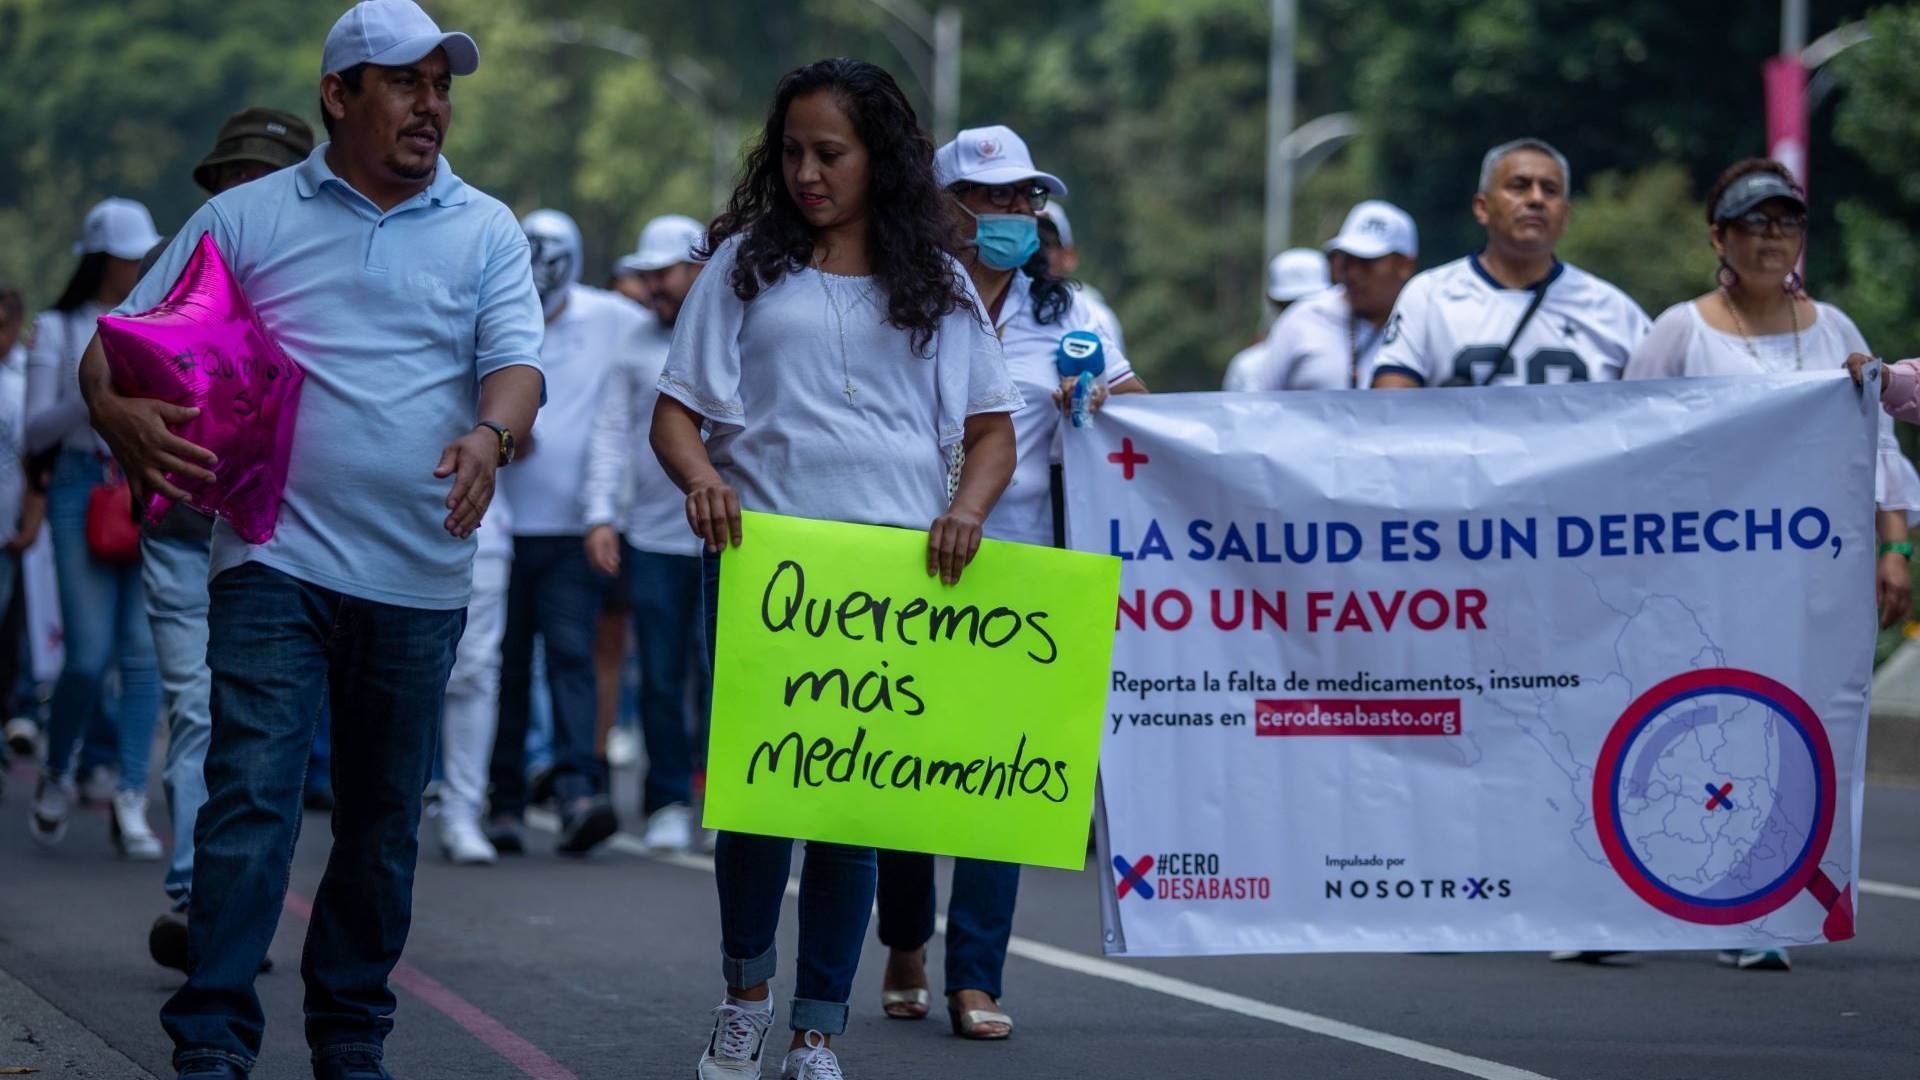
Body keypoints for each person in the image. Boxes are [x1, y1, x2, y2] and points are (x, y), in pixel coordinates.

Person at [78, 3, 544, 1077]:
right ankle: (211, 1043)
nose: (432, 106)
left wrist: (490, 432)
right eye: (405, 83)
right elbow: (114, 351)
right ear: (337, 95)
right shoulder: (246, 220)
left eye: (442, 86)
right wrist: (120, 417)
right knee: (249, 801)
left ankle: (349, 1042)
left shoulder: (486, 226)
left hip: (421, 574)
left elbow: (518, 367)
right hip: (273, 560)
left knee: (381, 832)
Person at [651, 57, 1020, 1080]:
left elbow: (993, 434)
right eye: (793, 153)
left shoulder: (939, 284)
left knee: (850, 817)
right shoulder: (742, 268)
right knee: (762, 807)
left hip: (892, 583)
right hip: (768, 571)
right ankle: (744, 998)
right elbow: (675, 415)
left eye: (831, 153)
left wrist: (965, 512)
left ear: (881, 160)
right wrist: (701, 482)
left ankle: (818, 1032)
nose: (808, 173)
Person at [867, 123, 1149, 1044]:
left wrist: (1109, 410)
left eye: (1026, 198)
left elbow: (1143, 419)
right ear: (941, 210)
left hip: (1025, 572)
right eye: (992, 198)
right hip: (897, 569)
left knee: (1004, 782)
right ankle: (905, 937)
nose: (1015, 214)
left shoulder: (1068, 315)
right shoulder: (890, 301)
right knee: (903, 778)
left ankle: (974, 977)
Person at [1627, 160, 1916, 975]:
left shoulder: (1835, 330)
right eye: (1753, 224)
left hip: (1811, 579)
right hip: (1700, 580)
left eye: (1785, 223)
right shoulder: (1679, 331)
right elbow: (1623, 445)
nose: (1770, 238)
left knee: (1796, 733)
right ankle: (1681, 891)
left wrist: (1893, 549)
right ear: (1718, 237)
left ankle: (1773, 893)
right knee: (1706, 732)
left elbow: (1878, 450)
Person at [142, 105, 317, 975]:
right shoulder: (180, 272)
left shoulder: (324, 275)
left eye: (268, 174)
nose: (249, 190)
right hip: (184, 531)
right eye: (234, 176)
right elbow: (110, 377)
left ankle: (227, 902)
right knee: (201, 713)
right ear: (214, 188)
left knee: (266, 737)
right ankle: (197, 900)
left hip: (289, 545)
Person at [482, 208, 645, 857]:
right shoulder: (496, 312)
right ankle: (505, 800)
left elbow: (675, 335)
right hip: (500, 524)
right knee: (507, 666)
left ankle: (579, 789)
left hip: (575, 528)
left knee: (573, 659)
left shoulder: (611, 317)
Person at [23, 196, 165, 859]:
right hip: (82, 485)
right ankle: (58, 772)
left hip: (144, 480)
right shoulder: (58, 327)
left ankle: (130, 795)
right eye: (128, 255)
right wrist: (97, 391)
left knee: (141, 655)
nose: (138, 265)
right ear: (102, 260)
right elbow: (34, 430)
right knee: (85, 655)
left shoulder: (160, 316)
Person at [583, 212, 709, 853]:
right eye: (648, 276)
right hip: (654, 539)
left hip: (729, 536)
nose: (655, 286)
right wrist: (601, 515)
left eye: (664, 273)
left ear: (697, 271)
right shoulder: (632, 348)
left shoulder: (734, 336)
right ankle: (666, 800)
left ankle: (723, 800)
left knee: (723, 674)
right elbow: (610, 436)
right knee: (659, 674)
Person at [1368, 137, 1649, 389]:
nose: (1536, 199)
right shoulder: (1430, 297)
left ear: (1565, 216)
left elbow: (1660, 409)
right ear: (1482, 208)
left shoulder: (1612, 309)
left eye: (1550, 190)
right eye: (1519, 186)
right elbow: (1391, 409)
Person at [1242, 203, 1417, 391]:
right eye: (1347, 260)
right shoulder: (1301, 319)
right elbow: (1260, 406)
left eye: (1367, 261)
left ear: (1404, 265)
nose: (1353, 273)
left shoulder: (1424, 325)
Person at [1221, 247, 1332, 391]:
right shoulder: (1247, 366)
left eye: (1308, 305)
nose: (1300, 314)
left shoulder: (1353, 357)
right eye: (1291, 305)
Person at [1036, 202, 1126, 352]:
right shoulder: (987, 310)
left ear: (1068, 256)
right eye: (1024, 240)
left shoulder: (1094, 318)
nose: (1034, 252)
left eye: (1044, 243)